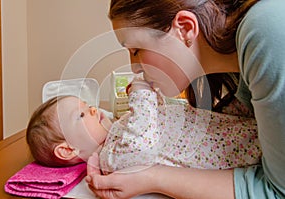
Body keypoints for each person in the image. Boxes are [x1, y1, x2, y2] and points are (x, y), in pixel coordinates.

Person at [85, 0, 285, 199]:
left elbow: (277, 192)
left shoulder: (267, 32)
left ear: (185, 28)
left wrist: (152, 177)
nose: (134, 68)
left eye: (136, 50)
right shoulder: (238, 71)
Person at [26, 79, 260, 173]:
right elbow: (144, 144)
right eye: (82, 114)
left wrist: (152, 95)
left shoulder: (117, 132)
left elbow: (155, 118)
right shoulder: (111, 157)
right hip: (232, 143)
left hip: (218, 124)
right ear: (68, 149)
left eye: (90, 106)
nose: (94, 110)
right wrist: (140, 94)